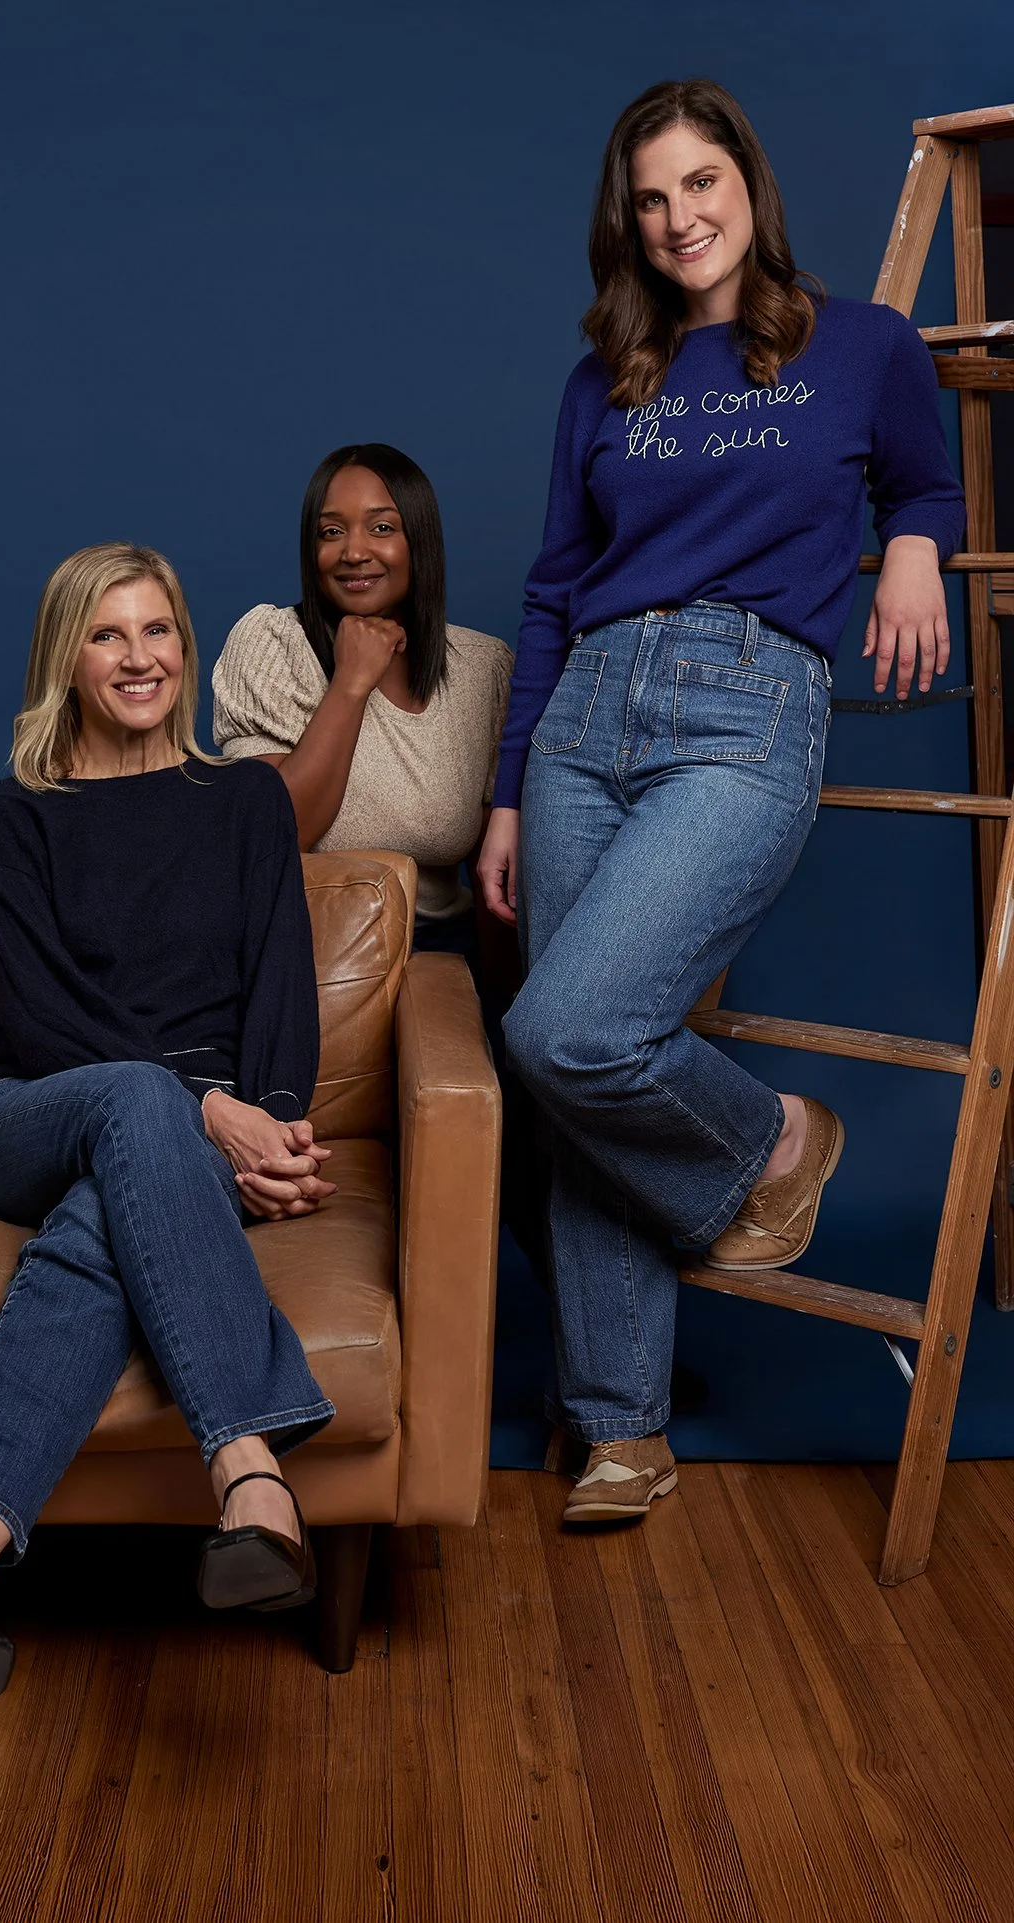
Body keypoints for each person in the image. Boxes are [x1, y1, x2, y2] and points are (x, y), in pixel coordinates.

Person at [477, 78, 965, 1528]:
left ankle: (781, 1141)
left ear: (749, 186)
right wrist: (507, 793)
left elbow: (925, 488)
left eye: (703, 183)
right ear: (624, 220)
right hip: (582, 722)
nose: (681, 216)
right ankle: (622, 1422)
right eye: (651, 195)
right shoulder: (604, 376)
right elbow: (554, 589)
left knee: (571, 1027)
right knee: (571, 1082)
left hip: (747, 708)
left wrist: (915, 551)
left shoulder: (862, 345)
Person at [0, 543, 336, 1706]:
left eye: (160, 630)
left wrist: (273, 1125)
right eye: (109, 635)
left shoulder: (245, 802)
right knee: (135, 1099)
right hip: (29, 1116)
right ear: (66, 659)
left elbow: (280, 985)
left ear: (187, 644)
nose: (141, 658)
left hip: (184, 1146)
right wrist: (216, 1110)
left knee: (97, 1236)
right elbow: (44, 1018)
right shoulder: (12, 817)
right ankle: (250, 1469)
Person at [212, 443, 512, 941]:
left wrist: (502, 1011)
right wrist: (351, 684)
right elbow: (278, 834)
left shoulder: (483, 667)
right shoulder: (272, 643)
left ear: (420, 539)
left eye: (381, 528)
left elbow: (494, 877)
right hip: (310, 950)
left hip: (438, 954)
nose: (353, 552)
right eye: (331, 532)